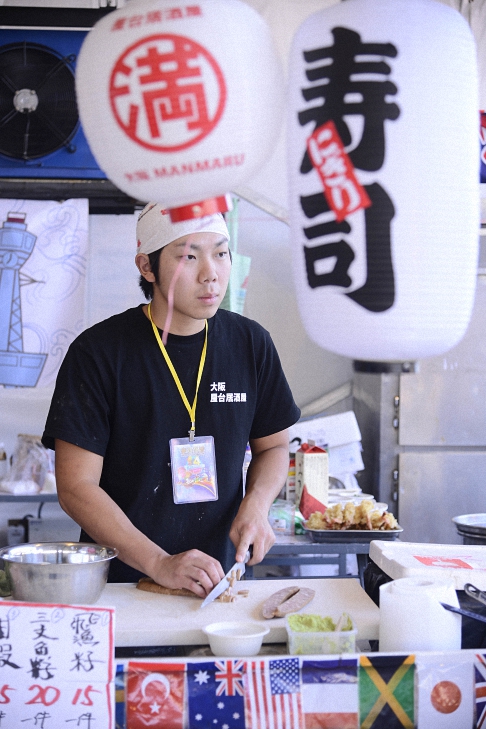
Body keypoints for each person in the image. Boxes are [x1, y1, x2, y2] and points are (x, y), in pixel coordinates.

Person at [42, 202, 300, 597]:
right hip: (124, 585)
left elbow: (274, 446)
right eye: (188, 257)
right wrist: (159, 563)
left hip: (221, 583)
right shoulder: (98, 353)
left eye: (220, 253)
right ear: (147, 267)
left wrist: (257, 503)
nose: (210, 273)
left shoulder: (251, 344)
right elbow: (76, 487)